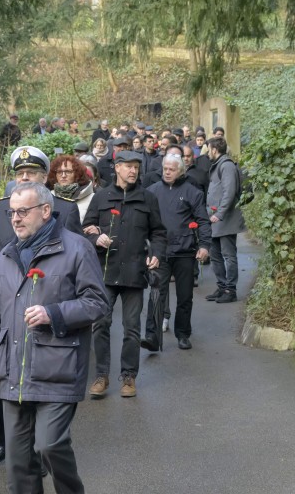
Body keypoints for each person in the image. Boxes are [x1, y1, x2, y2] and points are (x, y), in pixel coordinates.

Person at [0, 182, 109, 494]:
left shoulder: (77, 248)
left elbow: (98, 303)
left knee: (49, 445)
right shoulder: (6, 255)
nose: (15, 219)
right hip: (13, 371)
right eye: (12, 212)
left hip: (57, 368)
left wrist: (55, 313)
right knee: (18, 464)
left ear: (46, 211)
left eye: (23, 211)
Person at [0, 146, 83, 467]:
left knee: (41, 386)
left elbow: (75, 265)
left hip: (46, 310)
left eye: (32, 173)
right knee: (0, 381)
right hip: (8, 310)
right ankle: (5, 441)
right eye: (19, 173)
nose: (24, 177)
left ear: (43, 178)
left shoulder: (64, 208)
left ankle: (41, 446)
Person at [83, 151, 166, 398]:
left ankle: (129, 377)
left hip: (134, 273)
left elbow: (159, 233)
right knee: (100, 324)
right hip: (105, 273)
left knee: (131, 328)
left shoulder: (147, 198)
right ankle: (101, 376)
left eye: (136, 167)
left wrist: (157, 254)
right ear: (117, 168)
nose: (133, 171)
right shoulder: (100, 197)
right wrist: (96, 237)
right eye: (128, 167)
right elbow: (86, 229)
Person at [146, 156, 211, 350]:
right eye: (165, 168)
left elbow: (203, 221)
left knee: (184, 296)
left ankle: (183, 333)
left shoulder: (193, 192)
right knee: (157, 293)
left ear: (181, 171)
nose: (167, 172)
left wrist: (205, 245)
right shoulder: (152, 191)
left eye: (171, 169)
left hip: (185, 251)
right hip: (160, 251)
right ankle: (152, 335)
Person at [206, 137, 246, 304]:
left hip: (225, 219)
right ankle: (222, 287)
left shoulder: (227, 165)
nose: (207, 152)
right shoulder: (219, 165)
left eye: (208, 149)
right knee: (215, 255)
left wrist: (220, 214)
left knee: (228, 255)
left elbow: (229, 192)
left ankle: (230, 289)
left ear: (214, 149)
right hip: (216, 219)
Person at [47, 154, 97, 224]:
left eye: (68, 172)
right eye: (59, 172)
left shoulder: (93, 198)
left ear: (77, 174)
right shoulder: (48, 197)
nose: (63, 175)